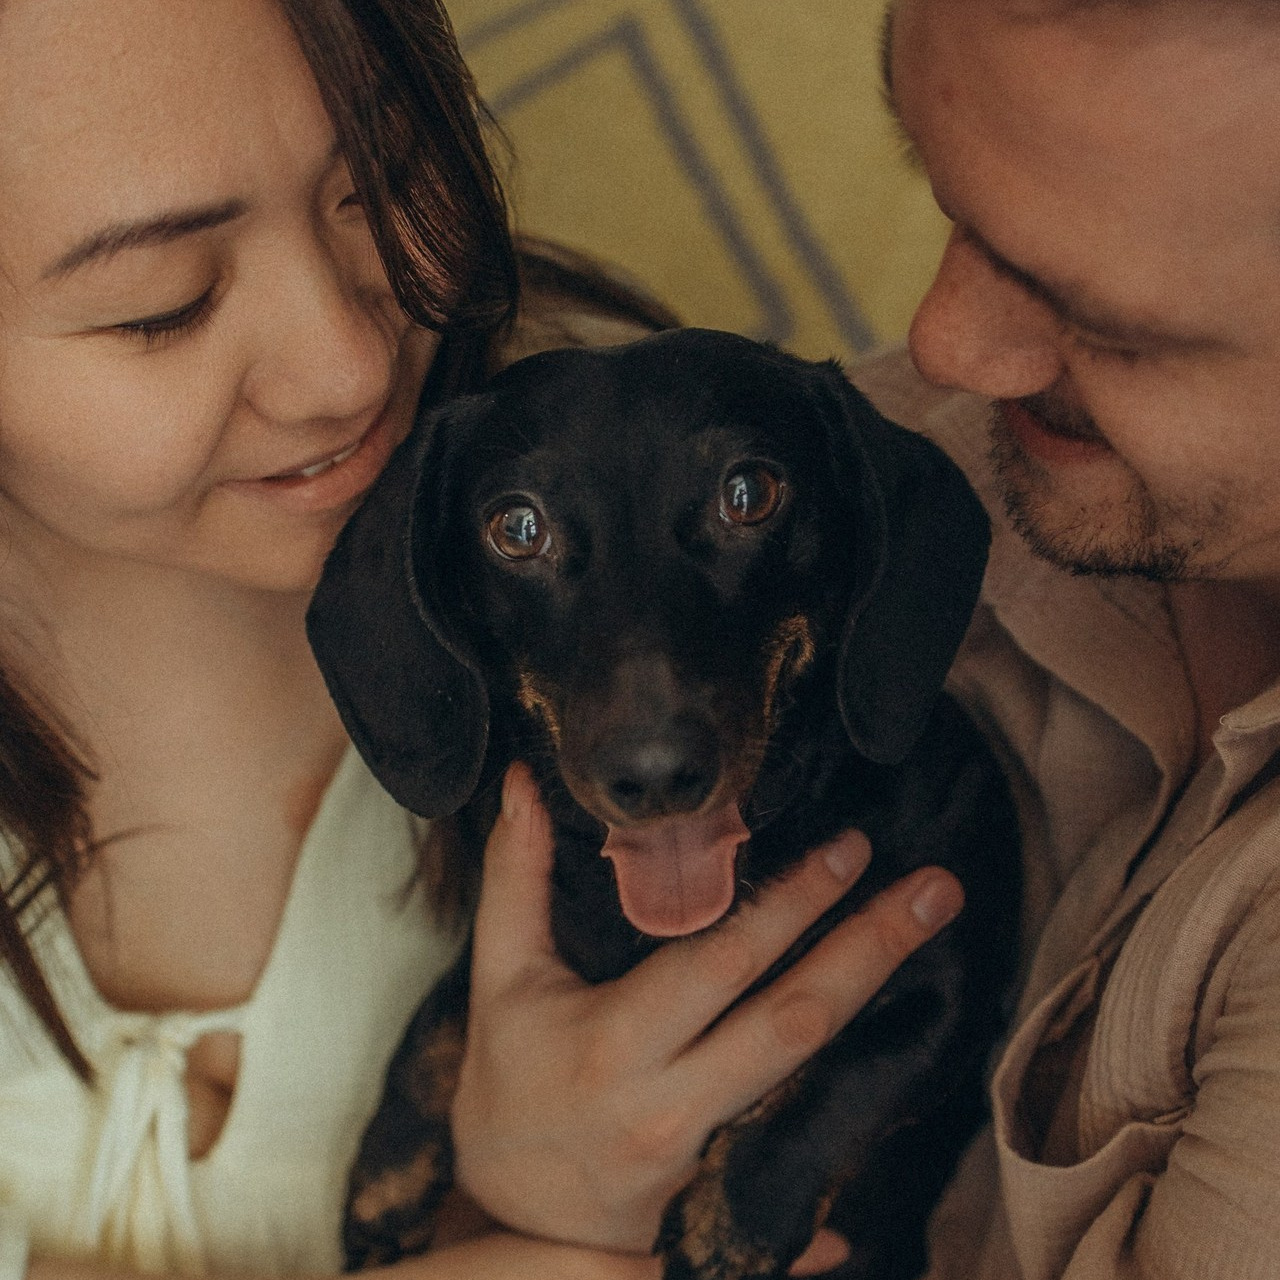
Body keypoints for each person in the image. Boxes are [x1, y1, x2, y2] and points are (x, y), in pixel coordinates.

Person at [0, 2, 964, 1278]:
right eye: (160, 305)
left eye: (388, 183)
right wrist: (502, 1242)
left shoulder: (652, 539)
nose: (346, 365)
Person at [453, 1, 1280, 1277]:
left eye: (1106, 321)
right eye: (952, 210)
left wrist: (530, 1228)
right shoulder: (874, 461)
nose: (941, 344)